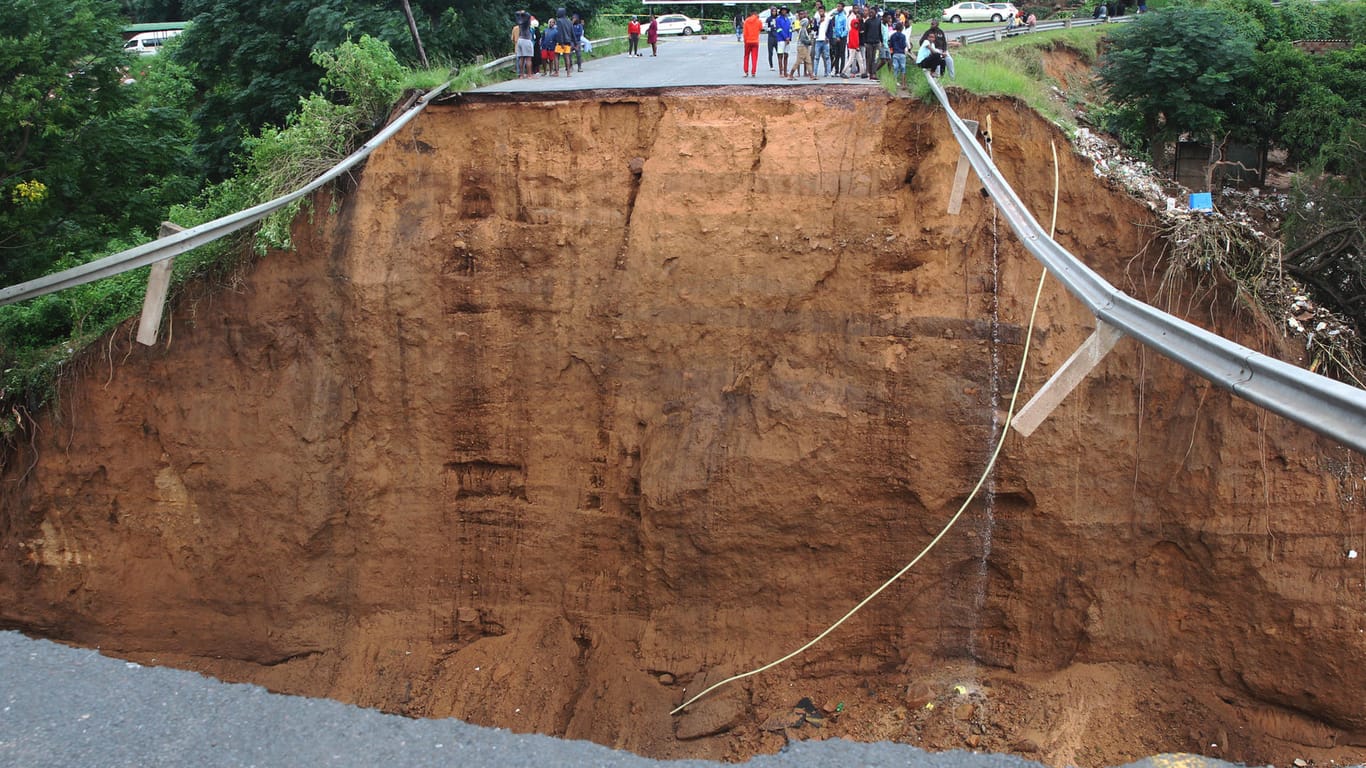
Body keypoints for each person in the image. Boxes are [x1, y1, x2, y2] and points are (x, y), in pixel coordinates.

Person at [790, 11, 815, 79]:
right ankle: (791, 74)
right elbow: (803, 40)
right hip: (802, 47)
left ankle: (811, 75)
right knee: (798, 62)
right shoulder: (803, 30)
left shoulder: (803, 29)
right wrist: (810, 42)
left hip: (804, 47)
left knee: (808, 61)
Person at [513, 11, 534, 79]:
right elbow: (528, 15)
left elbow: (516, 14)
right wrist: (524, 12)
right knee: (528, 59)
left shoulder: (519, 21)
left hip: (520, 40)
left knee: (521, 58)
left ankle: (521, 75)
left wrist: (520, 13)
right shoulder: (526, 22)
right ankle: (529, 75)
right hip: (526, 40)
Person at [555, 8, 575, 76]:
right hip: (568, 41)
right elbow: (572, 32)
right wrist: (575, 43)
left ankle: (557, 72)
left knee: (556, 56)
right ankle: (568, 73)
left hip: (561, 42)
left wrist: (561, 43)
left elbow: (560, 33)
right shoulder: (569, 21)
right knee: (567, 57)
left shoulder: (559, 21)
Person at [742, 9, 763, 76]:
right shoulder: (759, 21)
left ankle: (746, 71)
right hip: (755, 41)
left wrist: (745, 41)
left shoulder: (746, 21)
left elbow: (744, 33)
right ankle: (753, 72)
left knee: (746, 56)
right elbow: (761, 28)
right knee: (754, 57)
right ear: (756, 14)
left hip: (748, 41)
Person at [862, 7, 880, 79]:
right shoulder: (867, 22)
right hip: (869, 43)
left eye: (872, 12)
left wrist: (880, 41)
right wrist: (865, 42)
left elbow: (880, 32)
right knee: (869, 58)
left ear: (876, 13)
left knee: (875, 58)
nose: (871, 14)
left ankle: (874, 73)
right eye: (870, 12)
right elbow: (865, 33)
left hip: (877, 43)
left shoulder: (879, 21)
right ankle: (869, 72)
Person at [830, 3, 847, 76]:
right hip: (836, 37)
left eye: (839, 6)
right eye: (837, 6)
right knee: (836, 54)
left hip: (842, 37)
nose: (838, 8)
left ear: (843, 7)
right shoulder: (836, 16)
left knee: (842, 54)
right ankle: (836, 70)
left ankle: (841, 70)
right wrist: (836, 36)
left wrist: (841, 36)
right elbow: (834, 27)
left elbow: (846, 29)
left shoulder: (844, 17)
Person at [774, 7, 792, 78]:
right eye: (783, 10)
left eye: (785, 10)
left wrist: (789, 37)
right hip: (781, 39)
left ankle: (785, 72)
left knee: (786, 55)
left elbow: (790, 29)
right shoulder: (778, 19)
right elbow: (779, 29)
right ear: (781, 11)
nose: (784, 11)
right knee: (780, 55)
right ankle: (780, 72)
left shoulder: (788, 19)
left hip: (787, 40)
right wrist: (785, 37)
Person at [889, 21, 908, 89]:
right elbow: (903, 45)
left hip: (895, 53)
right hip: (902, 53)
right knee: (903, 68)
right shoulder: (903, 36)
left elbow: (890, 45)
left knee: (895, 68)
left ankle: (894, 82)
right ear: (902, 28)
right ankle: (903, 84)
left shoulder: (892, 36)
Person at [813, 8, 831, 77]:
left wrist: (828, 37)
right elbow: (814, 28)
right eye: (819, 11)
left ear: (824, 11)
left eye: (822, 11)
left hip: (825, 40)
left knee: (827, 57)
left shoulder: (828, 19)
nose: (821, 12)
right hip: (818, 40)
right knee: (816, 57)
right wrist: (818, 22)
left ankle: (828, 72)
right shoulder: (816, 19)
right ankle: (815, 72)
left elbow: (830, 29)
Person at [844, 9, 861, 76]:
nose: (856, 25)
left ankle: (863, 72)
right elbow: (852, 40)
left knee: (860, 60)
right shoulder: (851, 31)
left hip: (856, 47)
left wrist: (857, 46)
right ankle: (843, 71)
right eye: (855, 24)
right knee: (851, 60)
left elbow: (857, 40)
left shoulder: (856, 31)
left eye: (857, 24)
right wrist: (856, 47)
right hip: (852, 47)